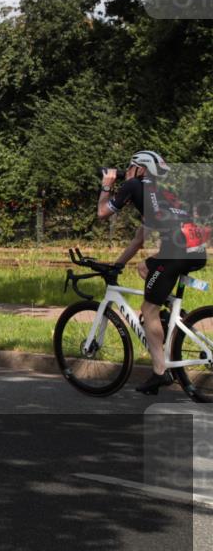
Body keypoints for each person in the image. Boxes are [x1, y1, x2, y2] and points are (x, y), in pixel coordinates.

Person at [97, 150, 209, 394]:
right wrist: (117, 264)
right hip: (195, 251)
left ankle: (160, 372)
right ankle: (168, 314)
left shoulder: (134, 184)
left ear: (141, 168)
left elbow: (102, 213)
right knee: (143, 266)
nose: (126, 171)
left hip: (175, 254)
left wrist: (107, 186)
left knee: (148, 309)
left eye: (130, 166)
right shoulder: (160, 193)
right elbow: (139, 239)